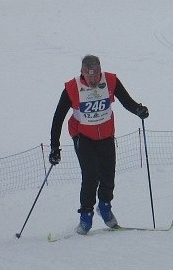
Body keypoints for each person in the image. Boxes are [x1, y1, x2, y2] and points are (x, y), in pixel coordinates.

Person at [50, 55, 149, 234]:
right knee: (90, 176)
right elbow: (58, 118)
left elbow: (127, 101)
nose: (94, 80)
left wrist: (138, 110)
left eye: (96, 75)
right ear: (82, 72)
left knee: (108, 175)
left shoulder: (110, 80)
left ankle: (104, 206)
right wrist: (54, 147)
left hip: (106, 135)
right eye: (90, 76)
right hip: (83, 137)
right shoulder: (72, 88)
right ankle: (86, 216)